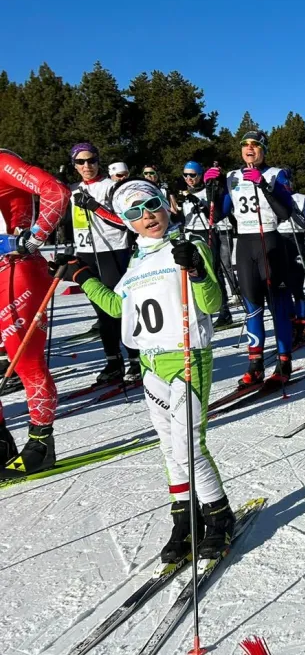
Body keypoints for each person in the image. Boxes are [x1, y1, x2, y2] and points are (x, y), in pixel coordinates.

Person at [49, 180, 235, 560]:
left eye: (152, 205)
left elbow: (213, 302)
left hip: (187, 358)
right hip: (150, 364)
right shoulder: (136, 260)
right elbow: (119, 308)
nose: (147, 216)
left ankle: (219, 515)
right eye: (134, 213)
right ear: (127, 222)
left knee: (188, 447)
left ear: (165, 206)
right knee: (169, 448)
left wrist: (197, 270)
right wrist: (83, 276)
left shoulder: (188, 246)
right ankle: (184, 520)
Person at [0, 151, 71, 475]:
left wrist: (36, 237)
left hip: (15, 270)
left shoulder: (1, 161)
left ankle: (40, 444)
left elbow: (56, 191)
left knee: (26, 362)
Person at [211, 131, 297, 387]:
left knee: (278, 307)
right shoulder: (232, 177)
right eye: (245, 145)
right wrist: (211, 189)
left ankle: (284, 363)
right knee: (252, 308)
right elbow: (217, 214)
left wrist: (264, 186)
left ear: (264, 149)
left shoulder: (275, 174)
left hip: (269, 240)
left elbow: (285, 212)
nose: (249, 149)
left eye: (255, 145)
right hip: (245, 243)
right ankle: (255, 366)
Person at [69, 143, 142, 384]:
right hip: (86, 253)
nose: (87, 166)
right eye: (81, 162)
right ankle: (112, 361)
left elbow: (125, 223)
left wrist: (95, 207)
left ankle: (134, 360)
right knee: (101, 313)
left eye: (91, 160)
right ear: (74, 165)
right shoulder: (72, 190)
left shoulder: (112, 187)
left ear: (99, 161)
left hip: (113, 252)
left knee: (119, 310)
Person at [179, 161, 234, 326]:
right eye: (186, 175)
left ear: (200, 175)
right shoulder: (182, 192)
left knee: (214, 272)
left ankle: (224, 312)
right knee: (194, 272)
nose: (189, 178)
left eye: (193, 175)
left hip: (208, 232)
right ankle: (202, 311)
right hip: (190, 234)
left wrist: (200, 204)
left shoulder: (208, 190)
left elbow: (216, 214)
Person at [277, 187, 305, 346]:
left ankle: (301, 326)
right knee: (283, 287)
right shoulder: (272, 194)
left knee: (297, 287)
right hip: (278, 239)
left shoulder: (300, 197)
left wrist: (290, 207)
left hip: (296, 240)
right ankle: (290, 323)